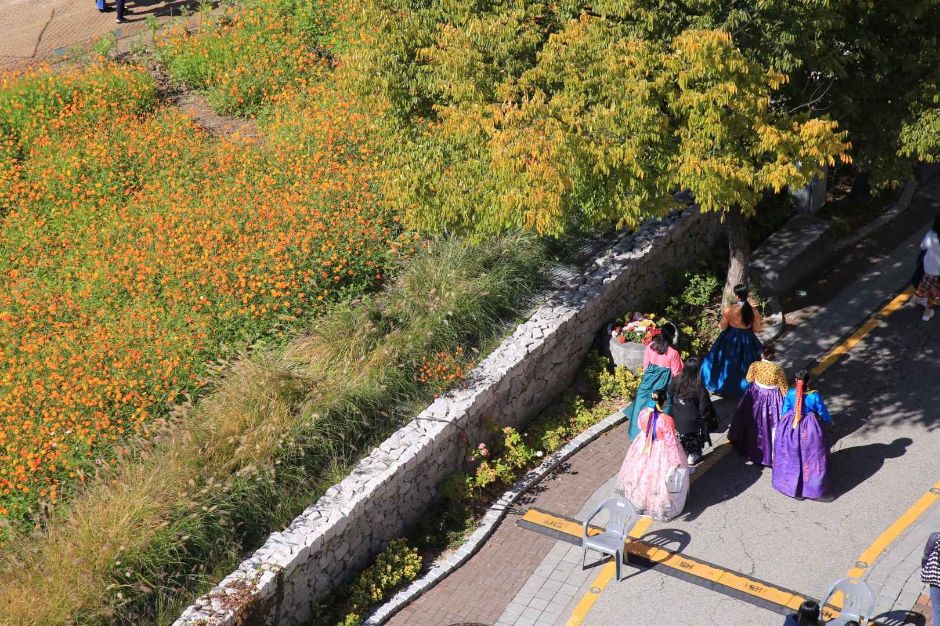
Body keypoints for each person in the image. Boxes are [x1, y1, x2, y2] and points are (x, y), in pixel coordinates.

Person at [617, 389, 690, 521]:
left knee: (640, 473)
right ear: (664, 402)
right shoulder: (666, 420)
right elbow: (671, 442)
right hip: (661, 449)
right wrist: (676, 462)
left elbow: (640, 425)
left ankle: (640, 501)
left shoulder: (644, 414)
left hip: (644, 444)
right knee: (659, 478)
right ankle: (659, 505)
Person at [772, 370, 833, 501]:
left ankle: (793, 488)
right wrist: (829, 420)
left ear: (795, 381)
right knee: (812, 458)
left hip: (792, 424)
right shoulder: (814, 396)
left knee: (793, 457)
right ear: (809, 382)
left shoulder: (790, 393)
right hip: (809, 428)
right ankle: (813, 488)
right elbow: (822, 411)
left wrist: (784, 425)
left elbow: (785, 409)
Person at [728, 344, 787, 466]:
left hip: (756, 394)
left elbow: (749, 379)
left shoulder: (755, 365)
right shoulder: (778, 370)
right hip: (772, 398)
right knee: (771, 425)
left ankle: (748, 446)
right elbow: (784, 389)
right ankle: (771, 453)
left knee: (750, 420)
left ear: (762, 354)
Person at [701, 283, 764, 398]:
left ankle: (722, 386)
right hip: (747, 338)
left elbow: (723, 327)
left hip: (730, 337)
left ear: (737, 296)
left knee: (725, 362)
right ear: (747, 295)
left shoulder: (730, 310)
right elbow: (757, 329)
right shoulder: (753, 311)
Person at [624, 322, 683, 440]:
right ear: (672, 336)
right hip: (663, 383)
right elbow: (676, 373)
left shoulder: (651, 346)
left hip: (648, 380)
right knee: (659, 407)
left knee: (642, 404)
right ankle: (656, 433)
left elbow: (646, 365)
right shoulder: (673, 352)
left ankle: (637, 432)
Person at [667, 357, 718, 465]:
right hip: (693, 421)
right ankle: (693, 455)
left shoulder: (677, 379)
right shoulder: (699, 386)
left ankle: (681, 452)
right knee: (694, 438)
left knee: (681, 438)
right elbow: (704, 408)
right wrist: (705, 419)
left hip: (677, 418)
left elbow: (669, 391)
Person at [914, 215, 940, 321]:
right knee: (933, 293)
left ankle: (919, 300)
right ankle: (926, 313)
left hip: (928, 269)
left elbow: (922, 246)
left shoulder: (931, 235)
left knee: (924, 286)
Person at [923, 531, 940, 626]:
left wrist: (925, 568)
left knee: (937, 610)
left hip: (936, 580)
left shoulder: (935, 537)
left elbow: (926, 557)